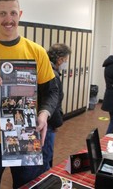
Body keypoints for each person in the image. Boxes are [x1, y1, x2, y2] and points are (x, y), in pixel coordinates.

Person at [0, 0, 59, 188]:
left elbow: (52, 91)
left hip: (25, 134)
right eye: (2, 13)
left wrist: (43, 114)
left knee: (29, 186)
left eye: (13, 13)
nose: (8, 19)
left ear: (20, 14)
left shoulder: (36, 51)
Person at [42, 43, 72, 171]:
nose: (65, 62)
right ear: (60, 59)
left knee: (45, 154)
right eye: (65, 60)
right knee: (46, 156)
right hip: (48, 123)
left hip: (46, 120)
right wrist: (56, 123)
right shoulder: (52, 74)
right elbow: (53, 102)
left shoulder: (46, 68)